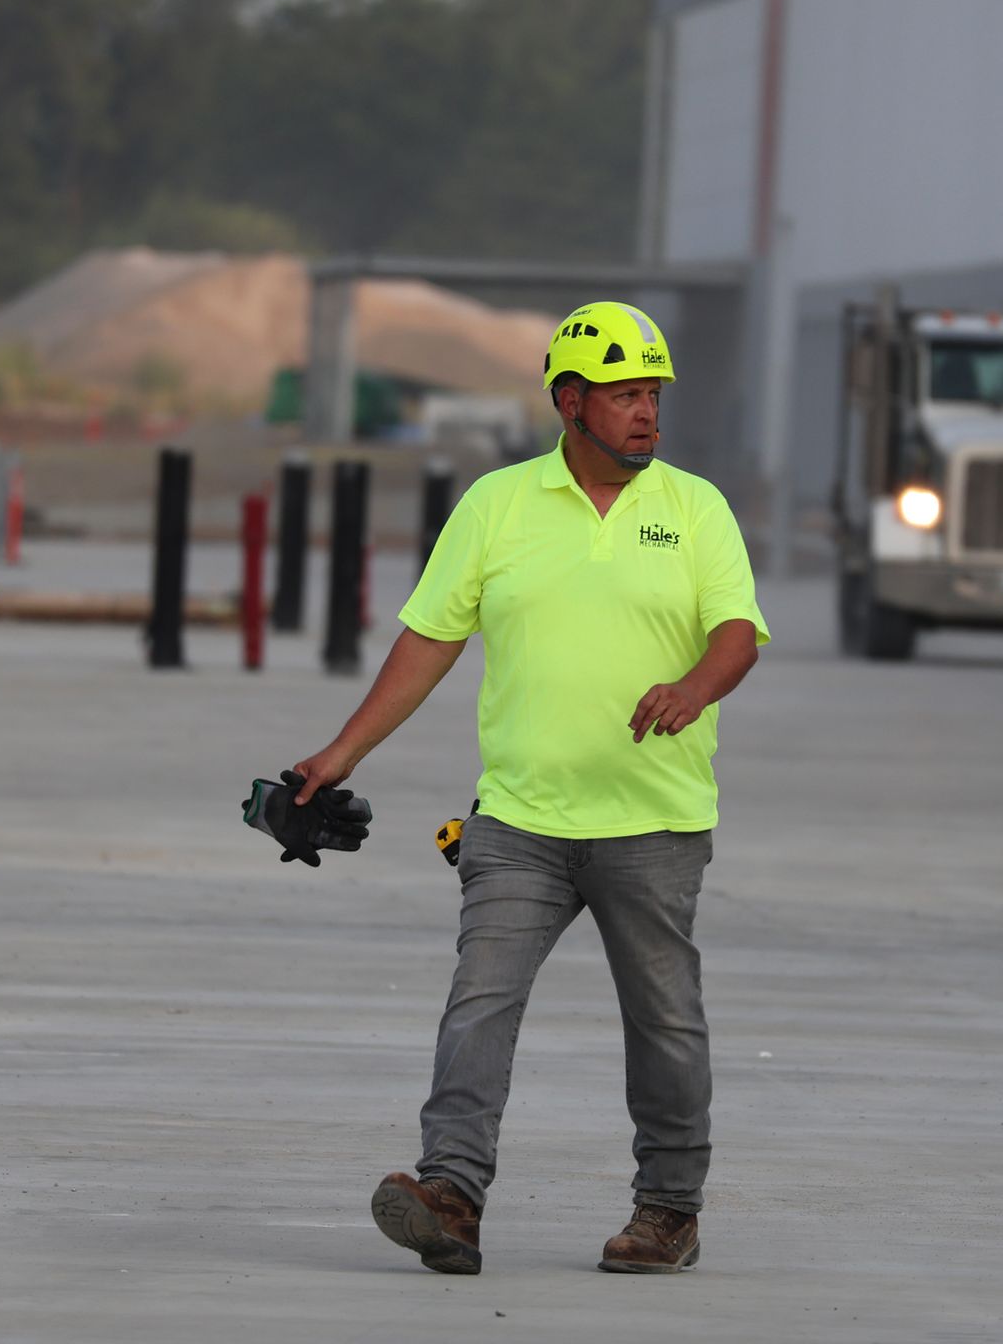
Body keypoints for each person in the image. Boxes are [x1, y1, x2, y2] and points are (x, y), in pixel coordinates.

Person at [289, 301, 768, 1276]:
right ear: (569, 401)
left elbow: (737, 633)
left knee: (665, 1019)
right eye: (626, 394)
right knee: (481, 1000)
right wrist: (342, 753)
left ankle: (668, 1210)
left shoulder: (695, 508)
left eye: (653, 395)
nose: (647, 414)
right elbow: (429, 641)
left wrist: (693, 689)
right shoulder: (497, 506)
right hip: (518, 821)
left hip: (656, 822)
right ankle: (451, 1197)